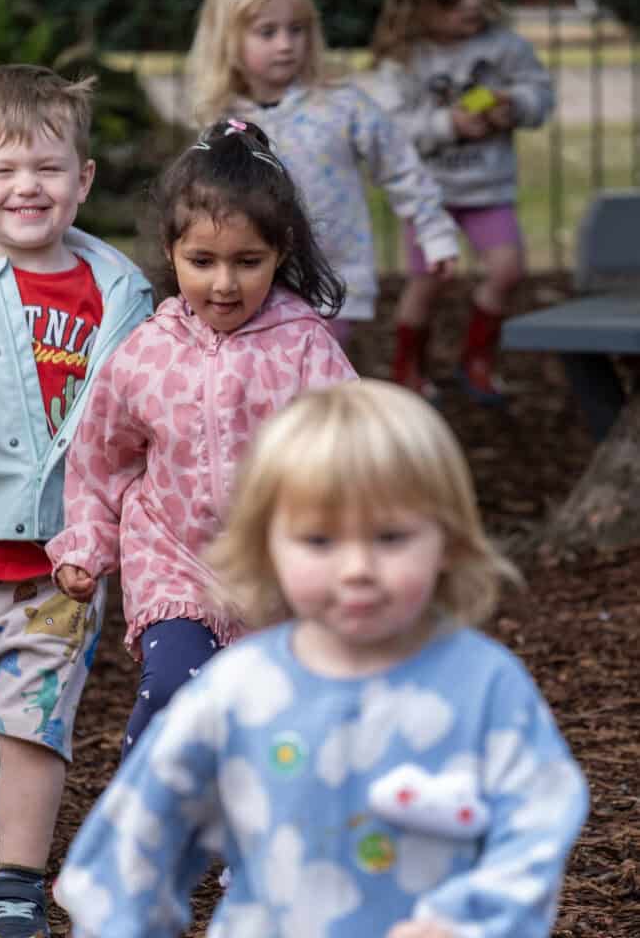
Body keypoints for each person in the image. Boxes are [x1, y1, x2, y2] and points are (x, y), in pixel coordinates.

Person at [55, 378, 588, 938]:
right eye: (319, 541)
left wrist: (470, 919)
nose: (357, 567)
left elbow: (540, 817)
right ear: (267, 548)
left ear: (449, 541)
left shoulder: (483, 685)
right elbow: (136, 839)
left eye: (390, 537)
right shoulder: (237, 690)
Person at [46, 119, 356, 762]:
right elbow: (102, 456)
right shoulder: (145, 354)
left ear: (281, 252)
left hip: (279, 572)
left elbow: (355, 449)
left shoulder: (305, 348)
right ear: (170, 250)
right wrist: (86, 541)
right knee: (172, 689)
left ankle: (256, 848)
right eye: (202, 261)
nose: (224, 284)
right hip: (174, 563)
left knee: (275, 720)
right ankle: (150, 831)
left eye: (248, 262)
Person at [0, 63, 153, 938]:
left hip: (61, 565)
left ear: (84, 180)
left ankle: (17, 879)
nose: (25, 187)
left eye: (46, 167)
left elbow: (137, 418)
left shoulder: (123, 295)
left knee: (39, 723)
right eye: (1, 170)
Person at [187, 0, 459, 353]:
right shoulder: (220, 121)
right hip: (252, 278)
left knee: (317, 373)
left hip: (333, 277)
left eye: (297, 29)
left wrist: (433, 231)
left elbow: (401, 167)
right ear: (227, 37)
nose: (286, 44)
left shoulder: (342, 105)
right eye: (267, 32)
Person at [366, 0, 554, 404]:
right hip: (430, 196)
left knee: (507, 271)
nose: (472, 4)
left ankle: (477, 361)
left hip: (487, 189)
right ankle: (408, 367)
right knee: (428, 282)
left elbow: (539, 93)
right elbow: (392, 127)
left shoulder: (505, 48)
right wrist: (449, 123)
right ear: (419, 4)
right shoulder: (405, 59)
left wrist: (515, 107)